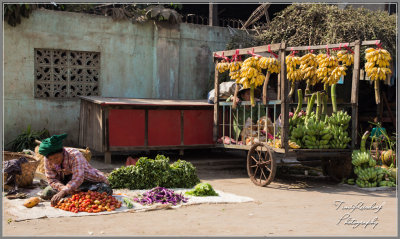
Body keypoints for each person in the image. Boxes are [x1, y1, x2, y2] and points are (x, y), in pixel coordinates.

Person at [39, 133, 112, 206]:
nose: (54, 161)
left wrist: (64, 192)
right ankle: (75, 192)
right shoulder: (47, 159)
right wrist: (63, 188)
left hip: (87, 181)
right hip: (66, 183)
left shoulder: (75, 155)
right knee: (47, 193)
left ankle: (78, 192)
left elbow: (78, 177)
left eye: (56, 157)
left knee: (105, 190)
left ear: (62, 151)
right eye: (51, 159)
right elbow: (52, 179)